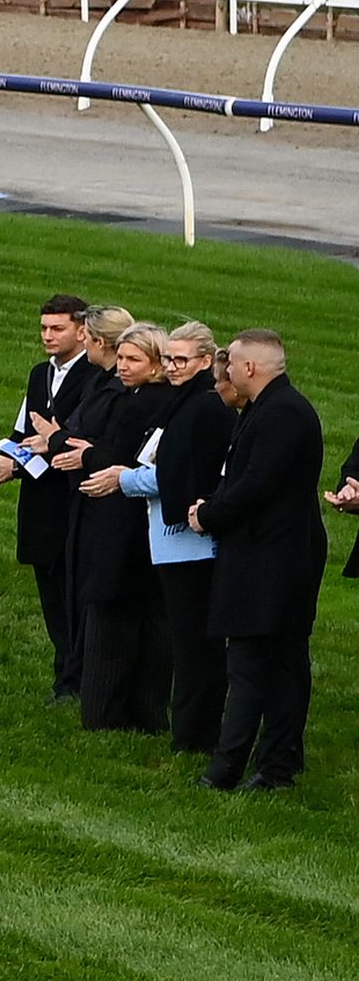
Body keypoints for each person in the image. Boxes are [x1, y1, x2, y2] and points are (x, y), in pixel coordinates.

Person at [194, 333, 324, 789]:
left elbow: (255, 484)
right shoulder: (271, 409)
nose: (225, 370)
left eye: (232, 363)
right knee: (279, 664)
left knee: (253, 665)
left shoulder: (283, 414)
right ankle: (277, 765)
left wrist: (206, 514)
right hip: (273, 553)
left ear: (251, 368)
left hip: (271, 559)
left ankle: (228, 770)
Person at [0, 295, 106, 700]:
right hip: (40, 505)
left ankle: (79, 679)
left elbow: (69, 445)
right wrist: (3, 460)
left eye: (57, 328)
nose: (47, 336)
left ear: (82, 331)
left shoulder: (95, 379)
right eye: (44, 328)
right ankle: (64, 675)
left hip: (75, 500)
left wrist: (15, 467)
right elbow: (24, 434)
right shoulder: (39, 374)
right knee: (51, 594)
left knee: (76, 597)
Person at [116, 324, 235, 755]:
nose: (172, 367)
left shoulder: (203, 407)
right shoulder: (182, 404)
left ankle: (196, 737)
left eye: (181, 360)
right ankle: (190, 733)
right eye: (168, 359)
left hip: (191, 542)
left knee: (195, 645)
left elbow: (184, 473)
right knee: (187, 642)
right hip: (172, 540)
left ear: (206, 361)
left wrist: (125, 479)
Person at [59, 326, 176, 733]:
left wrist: (86, 452)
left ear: (156, 364)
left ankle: (105, 712)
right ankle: (133, 711)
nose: (123, 367)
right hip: (126, 520)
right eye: (121, 358)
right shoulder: (139, 398)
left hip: (125, 523)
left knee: (115, 613)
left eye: (133, 360)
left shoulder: (143, 404)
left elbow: (122, 456)